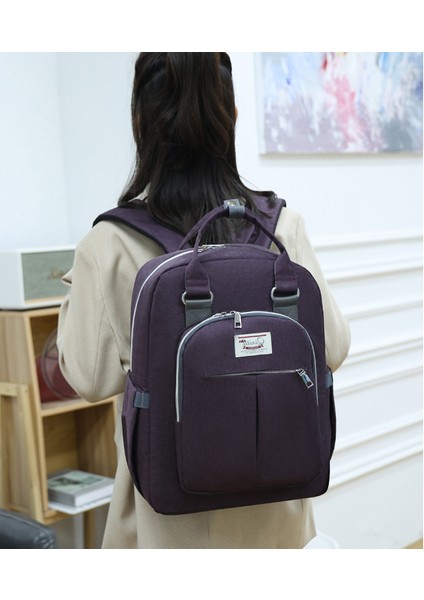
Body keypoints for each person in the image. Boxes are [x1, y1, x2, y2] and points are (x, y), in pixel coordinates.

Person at [57, 52, 350, 549]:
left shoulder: (110, 242)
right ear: (231, 117)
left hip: (166, 525)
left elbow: (87, 377)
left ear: (139, 121)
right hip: (276, 519)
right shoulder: (280, 226)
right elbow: (334, 349)